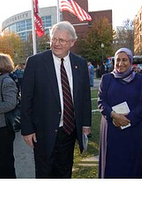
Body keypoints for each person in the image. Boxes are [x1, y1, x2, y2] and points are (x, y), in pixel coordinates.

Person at [21, 21, 92, 178]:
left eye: (62, 40)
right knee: (44, 173)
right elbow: (26, 99)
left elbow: (85, 97)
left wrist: (86, 123)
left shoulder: (80, 64)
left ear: (72, 42)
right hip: (43, 131)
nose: (56, 44)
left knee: (64, 171)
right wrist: (27, 129)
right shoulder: (35, 63)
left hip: (68, 131)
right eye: (54, 39)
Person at [98, 48, 142, 178]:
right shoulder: (106, 79)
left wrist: (127, 119)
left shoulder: (140, 80)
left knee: (131, 163)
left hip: (132, 128)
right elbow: (101, 101)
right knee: (110, 163)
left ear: (131, 61)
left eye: (124, 60)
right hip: (111, 128)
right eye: (118, 60)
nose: (121, 63)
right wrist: (113, 115)